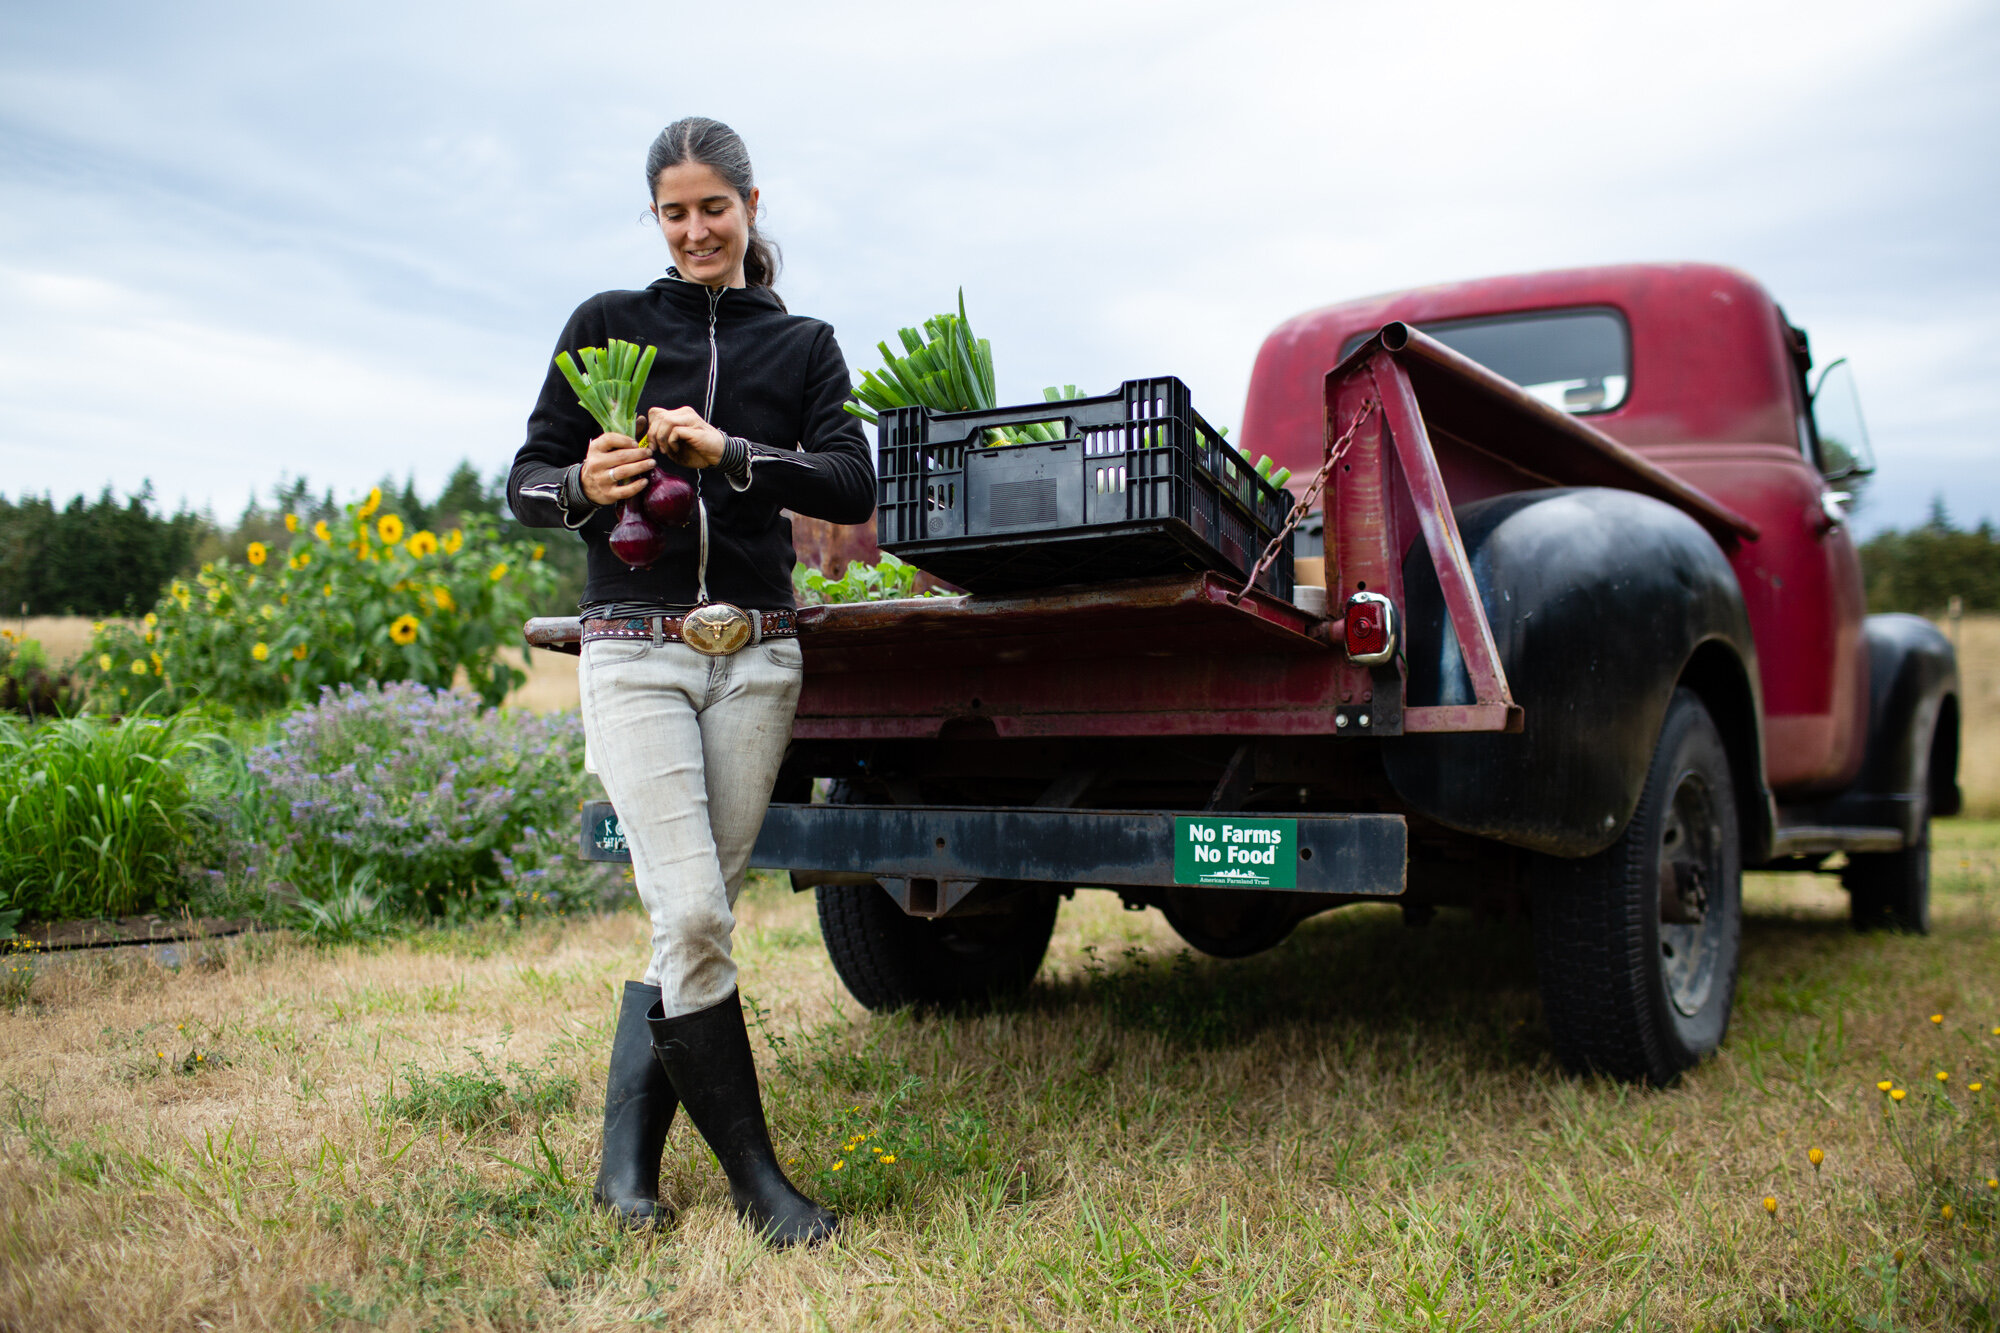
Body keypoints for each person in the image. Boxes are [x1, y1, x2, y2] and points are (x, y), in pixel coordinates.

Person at [508, 117, 873, 1247]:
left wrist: (732, 456)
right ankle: (762, 1184)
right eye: (674, 211)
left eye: (714, 207)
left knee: (687, 924)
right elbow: (520, 481)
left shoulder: (802, 344)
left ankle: (626, 1165)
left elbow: (851, 479)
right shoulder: (604, 327)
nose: (695, 229)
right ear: (655, 219)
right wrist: (583, 480)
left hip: (756, 655)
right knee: (700, 911)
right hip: (635, 649)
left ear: (751, 209)